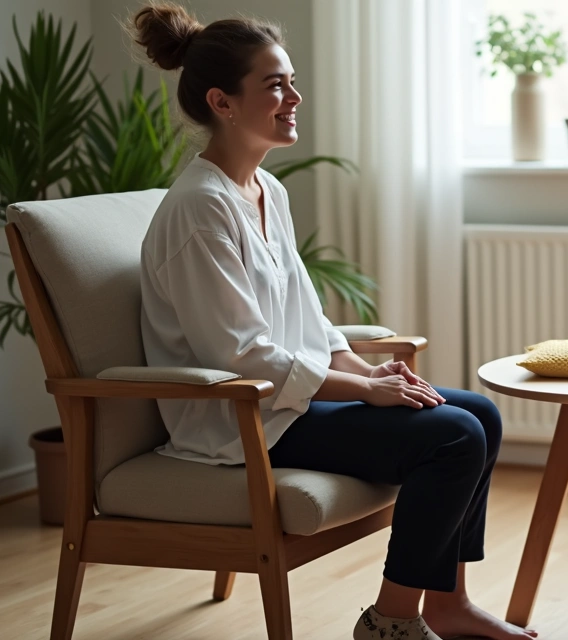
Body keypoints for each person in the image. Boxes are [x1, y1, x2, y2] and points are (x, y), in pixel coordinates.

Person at [131, 4, 535, 639]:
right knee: (452, 436)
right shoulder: (199, 210)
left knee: (478, 414)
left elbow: (310, 325)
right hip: (244, 420)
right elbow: (242, 357)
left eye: (290, 80)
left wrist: (369, 371)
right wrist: (366, 390)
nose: (294, 96)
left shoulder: (268, 190)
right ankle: (391, 623)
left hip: (291, 404)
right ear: (223, 102)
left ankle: (448, 607)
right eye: (275, 85)